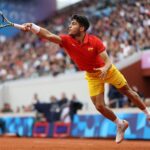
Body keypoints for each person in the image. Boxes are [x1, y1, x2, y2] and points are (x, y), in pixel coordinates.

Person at [22, 14, 150, 144]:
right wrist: (33, 26)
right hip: (92, 75)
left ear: (82, 28)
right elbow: (49, 35)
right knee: (99, 106)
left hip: (108, 71)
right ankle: (120, 124)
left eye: (73, 24)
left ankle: (148, 114)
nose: (69, 26)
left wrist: (105, 68)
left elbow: (108, 61)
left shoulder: (94, 41)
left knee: (127, 91)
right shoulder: (66, 40)